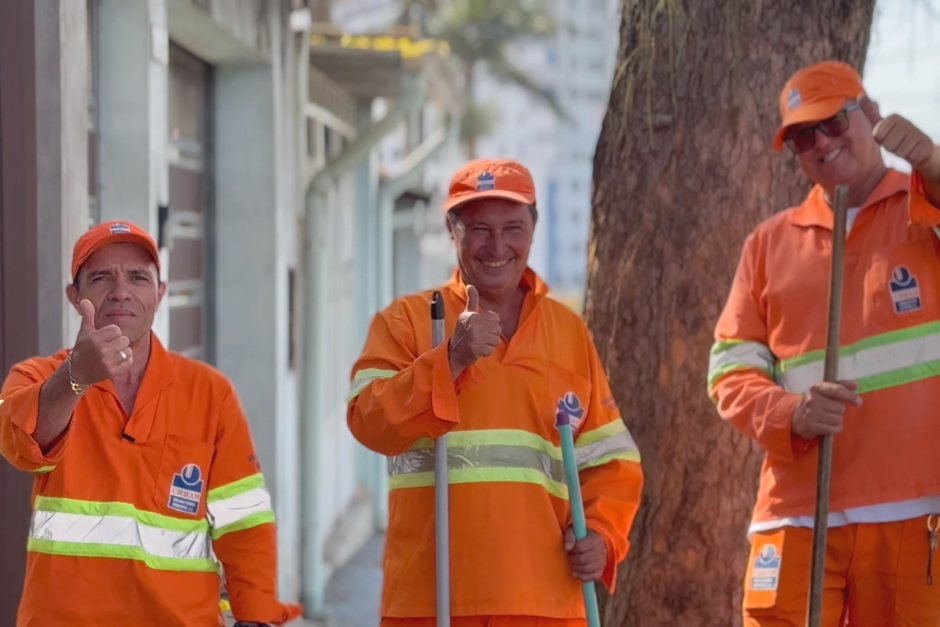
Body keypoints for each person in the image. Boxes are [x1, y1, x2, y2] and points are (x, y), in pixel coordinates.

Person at [347, 158, 644, 626]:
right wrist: (449, 359)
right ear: (452, 229)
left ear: (534, 228)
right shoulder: (406, 322)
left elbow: (611, 460)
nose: (498, 246)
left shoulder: (567, 332)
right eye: (480, 229)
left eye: (513, 228)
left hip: (546, 603)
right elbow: (368, 419)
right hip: (432, 603)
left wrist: (603, 535)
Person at [709, 60, 940, 626]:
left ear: (872, 115)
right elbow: (728, 373)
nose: (821, 142)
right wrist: (791, 412)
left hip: (917, 510)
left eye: (834, 122)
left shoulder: (926, 213)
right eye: (803, 136)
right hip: (797, 515)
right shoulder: (768, 243)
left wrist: (936, 171)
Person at [0, 221, 301, 627]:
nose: (121, 291)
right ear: (75, 297)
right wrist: (77, 376)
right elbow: (22, 445)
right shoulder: (37, 377)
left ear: (160, 294)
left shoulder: (211, 393)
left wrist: (256, 617)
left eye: (138, 277)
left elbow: (243, 522)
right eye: (101, 277)